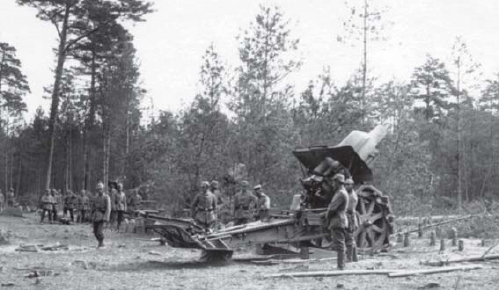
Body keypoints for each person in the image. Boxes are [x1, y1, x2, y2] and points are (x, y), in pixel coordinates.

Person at [326, 174, 349, 270]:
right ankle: (341, 265)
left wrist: (327, 217)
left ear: (337, 182)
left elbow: (332, 209)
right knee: (340, 243)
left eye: (333, 182)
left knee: (339, 244)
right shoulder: (343, 192)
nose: (332, 184)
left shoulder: (340, 193)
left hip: (338, 220)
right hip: (340, 219)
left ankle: (341, 266)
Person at [91, 182, 111, 247]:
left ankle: (101, 242)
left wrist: (106, 218)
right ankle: (100, 242)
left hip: (102, 217)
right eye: (98, 189)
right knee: (95, 232)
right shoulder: (95, 197)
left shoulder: (106, 197)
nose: (99, 191)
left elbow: (108, 208)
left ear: (103, 189)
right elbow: (93, 207)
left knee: (99, 232)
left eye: (100, 189)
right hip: (95, 216)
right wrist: (91, 215)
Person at [344, 177, 359, 262]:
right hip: (350, 217)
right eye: (346, 185)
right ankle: (354, 258)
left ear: (352, 186)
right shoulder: (350, 194)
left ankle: (349, 258)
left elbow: (349, 209)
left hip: (350, 218)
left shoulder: (352, 196)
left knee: (349, 238)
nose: (346, 186)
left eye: (348, 185)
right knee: (351, 238)